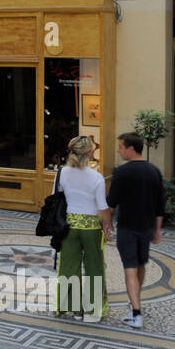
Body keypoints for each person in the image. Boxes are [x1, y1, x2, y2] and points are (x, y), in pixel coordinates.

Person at [107, 132, 165, 330]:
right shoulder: (155, 171)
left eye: (121, 147)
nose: (119, 150)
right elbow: (160, 205)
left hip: (128, 228)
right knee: (140, 265)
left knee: (129, 268)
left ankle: (136, 313)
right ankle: (135, 305)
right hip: (147, 227)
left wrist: (106, 225)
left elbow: (111, 203)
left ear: (131, 149)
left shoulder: (122, 172)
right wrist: (157, 231)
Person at [55, 135, 111, 322]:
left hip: (69, 226)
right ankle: (94, 309)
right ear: (88, 153)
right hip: (91, 227)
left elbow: (53, 197)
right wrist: (107, 226)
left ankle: (72, 309)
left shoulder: (61, 173)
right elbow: (103, 206)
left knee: (68, 267)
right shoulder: (96, 177)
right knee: (95, 267)